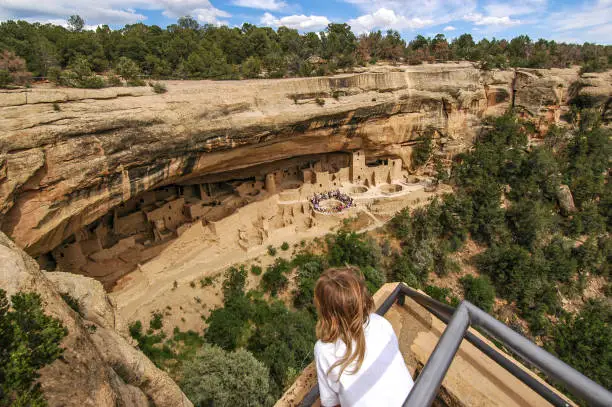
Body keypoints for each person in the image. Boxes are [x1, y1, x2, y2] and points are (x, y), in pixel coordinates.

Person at [313, 268, 414, 407]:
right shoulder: (380, 322)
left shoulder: (324, 350)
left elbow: (331, 403)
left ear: (326, 312)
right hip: (417, 399)